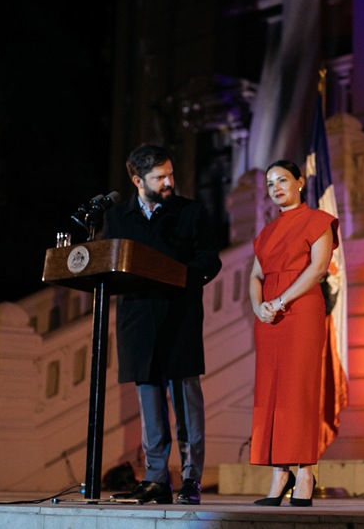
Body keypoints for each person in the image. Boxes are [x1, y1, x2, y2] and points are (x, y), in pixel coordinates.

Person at [103, 143, 222, 505]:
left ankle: (190, 478)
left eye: (171, 174)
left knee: (187, 403)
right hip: (138, 322)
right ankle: (156, 477)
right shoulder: (118, 218)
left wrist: (180, 276)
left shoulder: (190, 213)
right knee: (150, 405)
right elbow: (110, 263)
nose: (169, 181)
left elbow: (209, 261)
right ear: (138, 180)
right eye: (160, 177)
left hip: (179, 318)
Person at [248, 159, 339, 507]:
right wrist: (259, 307)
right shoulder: (266, 233)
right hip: (269, 317)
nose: (276, 188)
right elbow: (255, 276)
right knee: (271, 393)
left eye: (282, 180)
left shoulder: (318, 220)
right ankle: (279, 473)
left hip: (300, 311)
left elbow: (318, 269)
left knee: (298, 390)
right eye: (270, 183)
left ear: (300, 181)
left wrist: (281, 299)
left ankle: (305, 473)